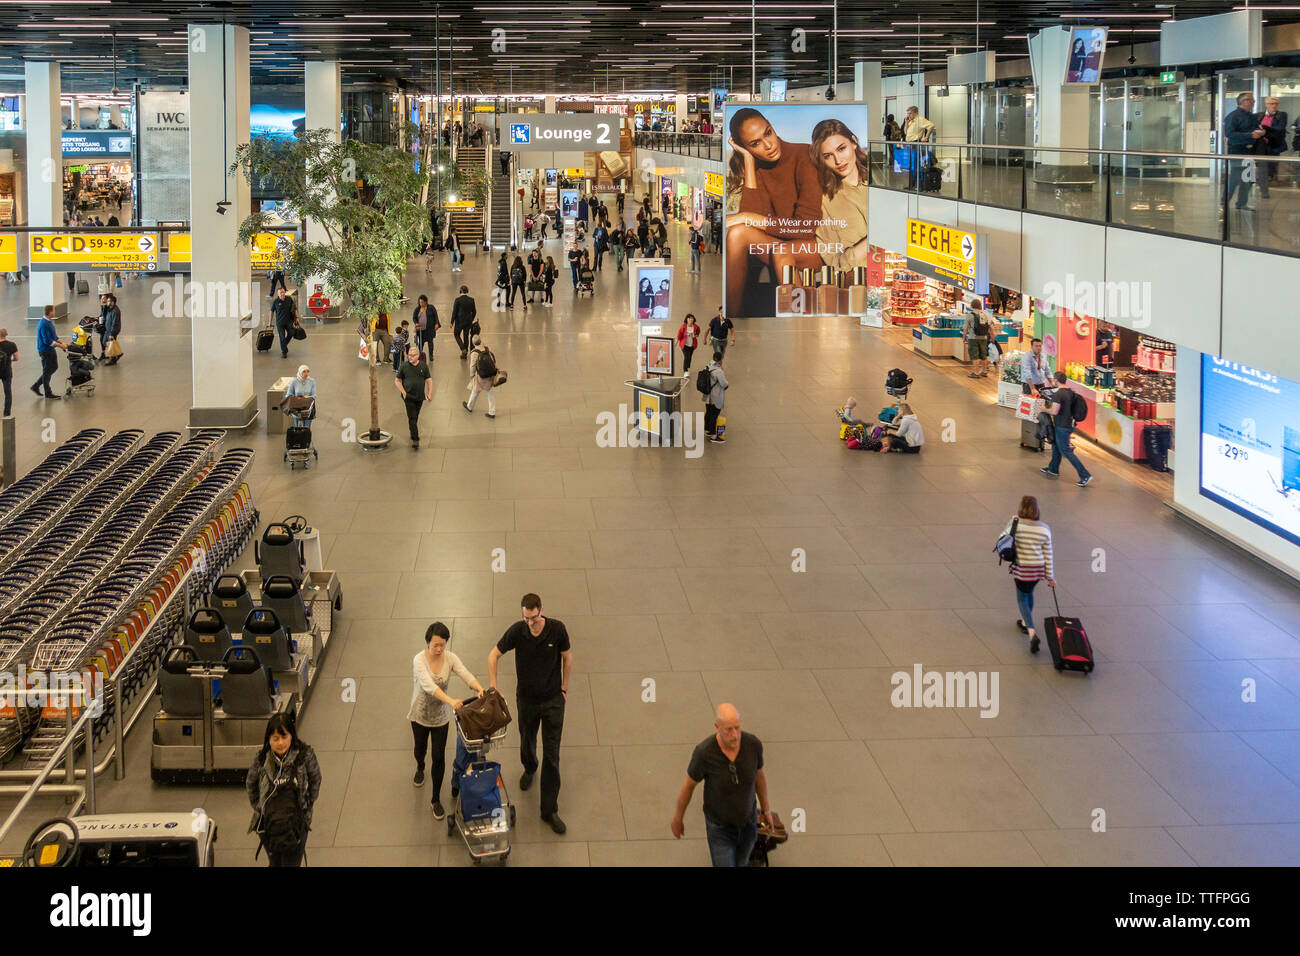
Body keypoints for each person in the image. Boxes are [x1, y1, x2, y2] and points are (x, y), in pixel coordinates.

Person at [725, 107, 825, 318]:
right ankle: (732, 319)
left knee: (782, 252)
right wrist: (749, 162)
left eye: (768, 133)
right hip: (783, 242)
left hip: (816, 246)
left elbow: (806, 229)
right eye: (755, 144)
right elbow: (751, 220)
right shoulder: (758, 166)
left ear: (771, 126)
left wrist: (748, 217)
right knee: (736, 233)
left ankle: (801, 325)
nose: (768, 145)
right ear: (745, 148)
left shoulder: (804, 156)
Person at [488, 593, 573, 835]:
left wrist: (564, 687)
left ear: (541, 611)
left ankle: (549, 810)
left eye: (534, 618)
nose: (530, 623)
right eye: (526, 618)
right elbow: (493, 655)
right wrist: (493, 688)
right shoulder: (518, 631)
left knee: (553, 756)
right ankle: (529, 767)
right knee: (526, 740)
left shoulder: (557, 630)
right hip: (526, 701)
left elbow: (567, 658)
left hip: (553, 702)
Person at [671, 704, 771, 868]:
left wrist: (766, 809)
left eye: (737, 728)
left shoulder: (753, 745)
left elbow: (759, 776)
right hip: (719, 829)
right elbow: (688, 787)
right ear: (717, 727)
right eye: (728, 730)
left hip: (748, 824)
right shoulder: (704, 753)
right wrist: (678, 818)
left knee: (742, 862)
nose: (735, 735)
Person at [408, 621, 485, 819]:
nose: (439, 649)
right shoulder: (419, 660)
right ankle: (420, 767)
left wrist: (478, 687)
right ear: (427, 643)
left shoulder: (449, 658)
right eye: (435, 645)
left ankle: (435, 799)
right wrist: (452, 701)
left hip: (440, 718)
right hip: (420, 714)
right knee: (420, 749)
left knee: (439, 757)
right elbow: (428, 687)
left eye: (443, 645)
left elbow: (464, 673)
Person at [245, 713, 321, 867]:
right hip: (269, 824)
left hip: (297, 822)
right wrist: (261, 807)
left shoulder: (305, 755)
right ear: (269, 739)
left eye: (284, 736)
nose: (280, 743)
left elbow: (315, 779)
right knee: (275, 861)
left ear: (292, 735)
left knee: (291, 862)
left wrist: (307, 805)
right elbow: (251, 784)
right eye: (275, 738)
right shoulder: (261, 759)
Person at [810, 118, 872, 270]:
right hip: (859, 281)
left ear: (854, 142)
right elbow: (836, 263)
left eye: (841, 149)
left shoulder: (881, 181)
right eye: (827, 156)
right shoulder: (823, 201)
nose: (838, 161)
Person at [1002, 495, 1055, 655]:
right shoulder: (1044, 528)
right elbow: (1048, 553)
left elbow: (1002, 539)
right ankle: (1025, 622)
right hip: (1037, 569)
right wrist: (1050, 577)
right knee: (1029, 592)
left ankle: (1031, 632)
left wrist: (1012, 523)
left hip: (1022, 568)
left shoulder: (1015, 524)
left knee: (1021, 598)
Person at [1041, 370, 1093, 487]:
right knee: (1056, 445)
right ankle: (1053, 468)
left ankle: (1085, 475)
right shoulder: (1070, 392)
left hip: (1062, 425)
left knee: (1066, 451)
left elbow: (1054, 411)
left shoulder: (1058, 394)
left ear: (1056, 381)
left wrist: (1044, 409)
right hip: (1069, 424)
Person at [1225, 92, 1267, 211]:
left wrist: (1261, 132)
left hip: (1250, 151)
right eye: (1251, 100)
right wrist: (1249, 135)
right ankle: (1225, 200)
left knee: (1249, 178)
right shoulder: (1233, 116)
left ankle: (1242, 203)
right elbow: (1230, 134)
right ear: (1244, 101)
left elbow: (1257, 128)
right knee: (1236, 177)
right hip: (1237, 150)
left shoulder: (1251, 116)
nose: (1253, 103)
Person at [394, 345, 433, 447]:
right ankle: (415, 439)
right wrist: (404, 393)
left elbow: (429, 380)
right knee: (412, 417)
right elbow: (397, 381)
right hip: (408, 397)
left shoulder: (423, 366)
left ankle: (412, 432)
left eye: (413, 355)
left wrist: (429, 393)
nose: (410, 357)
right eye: (409, 355)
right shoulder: (403, 366)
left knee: (415, 417)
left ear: (418, 356)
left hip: (420, 396)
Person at [30, 305, 67, 400]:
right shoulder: (43, 324)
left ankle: (36, 386)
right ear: (50, 312)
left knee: (53, 368)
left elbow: (53, 336)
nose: (54, 312)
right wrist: (60, 345)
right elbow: (47, 341)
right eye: (54, 311)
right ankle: (47, 392)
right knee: (47, 371)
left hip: (50, 350)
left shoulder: (48, 322)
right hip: (45, 350)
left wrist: (61, 342)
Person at [463, 334, 498, 419]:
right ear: (480, 341)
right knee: (489, 392)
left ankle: (469, 406)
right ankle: (492, 412)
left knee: (475, 390)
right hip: (489, 374)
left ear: (473, 343)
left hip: (481, 376)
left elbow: (472, 366)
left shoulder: (474, 352)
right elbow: (492, 360)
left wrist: (472, 376)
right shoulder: (486, 348)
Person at [901, 105, 936, 190]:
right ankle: (912, 185)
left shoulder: (920, 120)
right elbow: (905, 132)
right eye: (908, 113)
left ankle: (918, 185)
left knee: (916, 165)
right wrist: (906, 122)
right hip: (909, 145)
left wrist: (926, 137)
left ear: (915, 113)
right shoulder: (911, 121)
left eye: (910, 113)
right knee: (911, 166)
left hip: (915, 144)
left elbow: (931, 125)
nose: (908, 115)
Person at [1259, 96, 1289, 189]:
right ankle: (1263, 185)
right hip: (1261, 145)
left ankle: (1270, 181)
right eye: (1272, 104)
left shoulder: (1282, 115)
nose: (1274, 106)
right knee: (1262, 166)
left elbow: (1279, 130)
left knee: (1273, 165)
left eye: (1276, 104)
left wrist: (1264, 129)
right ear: (1266, 105)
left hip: (1274, 144)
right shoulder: (1259, 115)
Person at [963, 297, 991, 379]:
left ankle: (976, 372)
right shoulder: (985, 314)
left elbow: (966, 328)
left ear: (972, 305)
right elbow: (990, 326)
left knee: (975, 355)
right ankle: (985, 371)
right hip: (984, 337)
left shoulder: (970, 315)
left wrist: (964, 337)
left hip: (973, 337)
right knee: (984, 355)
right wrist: (992, 337)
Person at [703, 351, 727, 443]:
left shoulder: (707, 366)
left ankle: (708, 430)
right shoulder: (718, 371)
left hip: (707, 394)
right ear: (720, 360)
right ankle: (713, 436)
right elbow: (724, 384)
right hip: (715, 395)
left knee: (709, 412)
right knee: (714, 414)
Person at [283, 364, 316, 429]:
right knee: (297, 427)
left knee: (307, 427)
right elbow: (288, 394)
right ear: (300, 372)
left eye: (307, 371)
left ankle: (306, 438)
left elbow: (314, 395)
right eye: (304, 371)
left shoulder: (312, 381)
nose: (306, 373)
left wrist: (309, 398)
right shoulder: (294, 381)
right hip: (297, 408)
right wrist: (297, 398)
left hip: (307, 408)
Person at [450, 285, 476, 359]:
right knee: (466, 336)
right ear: (467, 291)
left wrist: (452, 322)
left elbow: (454, 312)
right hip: (468, 321)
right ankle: (465, 352)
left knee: (456, 334)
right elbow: (474, 311)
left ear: (460, 291)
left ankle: (463, 349)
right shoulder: (471, 300)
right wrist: (471, 319)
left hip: (459, 321)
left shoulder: (457, 300)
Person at [271, 286, 297, 359]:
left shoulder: (289, 299)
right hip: (280, 323)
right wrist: (269, 322)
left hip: (289, 321)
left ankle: (283, 345)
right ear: (278, 294)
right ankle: (284, 352)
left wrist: (296, 318)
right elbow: (271, 311)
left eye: (283, 292)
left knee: (291, 333)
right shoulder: (275, 302)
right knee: (282, 337)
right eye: (280, 293)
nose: (282, 294)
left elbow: (294, 308)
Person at [98, 293, 122, 365]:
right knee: (105, 342)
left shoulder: (115, 311)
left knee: (110, 343)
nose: (107, 302)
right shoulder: (110, 308)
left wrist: (112, 333)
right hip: (108, 329)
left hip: (112, 330)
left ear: (112, 302)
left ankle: (113, 358)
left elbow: (115, 323)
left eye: (108, 301)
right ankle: (116, 355)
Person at [412, 294, 439, 358]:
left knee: (430, 343)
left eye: (422, 302)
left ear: (426, 302)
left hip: (429, 329)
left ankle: (431, 355)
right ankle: (419, 354)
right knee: (421, 343)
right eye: (420, 302)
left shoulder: (431, 307)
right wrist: (416, 323)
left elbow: (435, 316)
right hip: (421, 330)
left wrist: (436, 323)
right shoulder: (417, 309)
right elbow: (414, 317)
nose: (421, 303)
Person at [0, 328, 17, 417]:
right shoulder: (12, 345)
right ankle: (6, 414)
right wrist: (10, 360)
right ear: (6, 335)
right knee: (7, 393)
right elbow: (16, 358)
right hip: (6, 371)